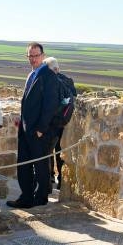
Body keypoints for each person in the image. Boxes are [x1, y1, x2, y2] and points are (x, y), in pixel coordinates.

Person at [8, 42, 59, 209]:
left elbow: (50, 105)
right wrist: (21, 120)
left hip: (38, 131)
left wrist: (41, 129)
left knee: (40, 165)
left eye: (36, 55)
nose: (33, 59)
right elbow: (29, 104)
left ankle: (40, 198)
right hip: (26, 129)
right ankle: (27, 196)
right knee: (24, 165)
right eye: (30, 55)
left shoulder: (47, 75)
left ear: (43, 56)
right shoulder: (32, 74)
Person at [44, 56, 77, 190]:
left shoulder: (49, 81)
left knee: (47, 152)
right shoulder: (68, 81)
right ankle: (62, 181)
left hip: (51, 123)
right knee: (60, 151)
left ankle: (49, 178)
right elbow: (74, 99)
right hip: (65, 123)